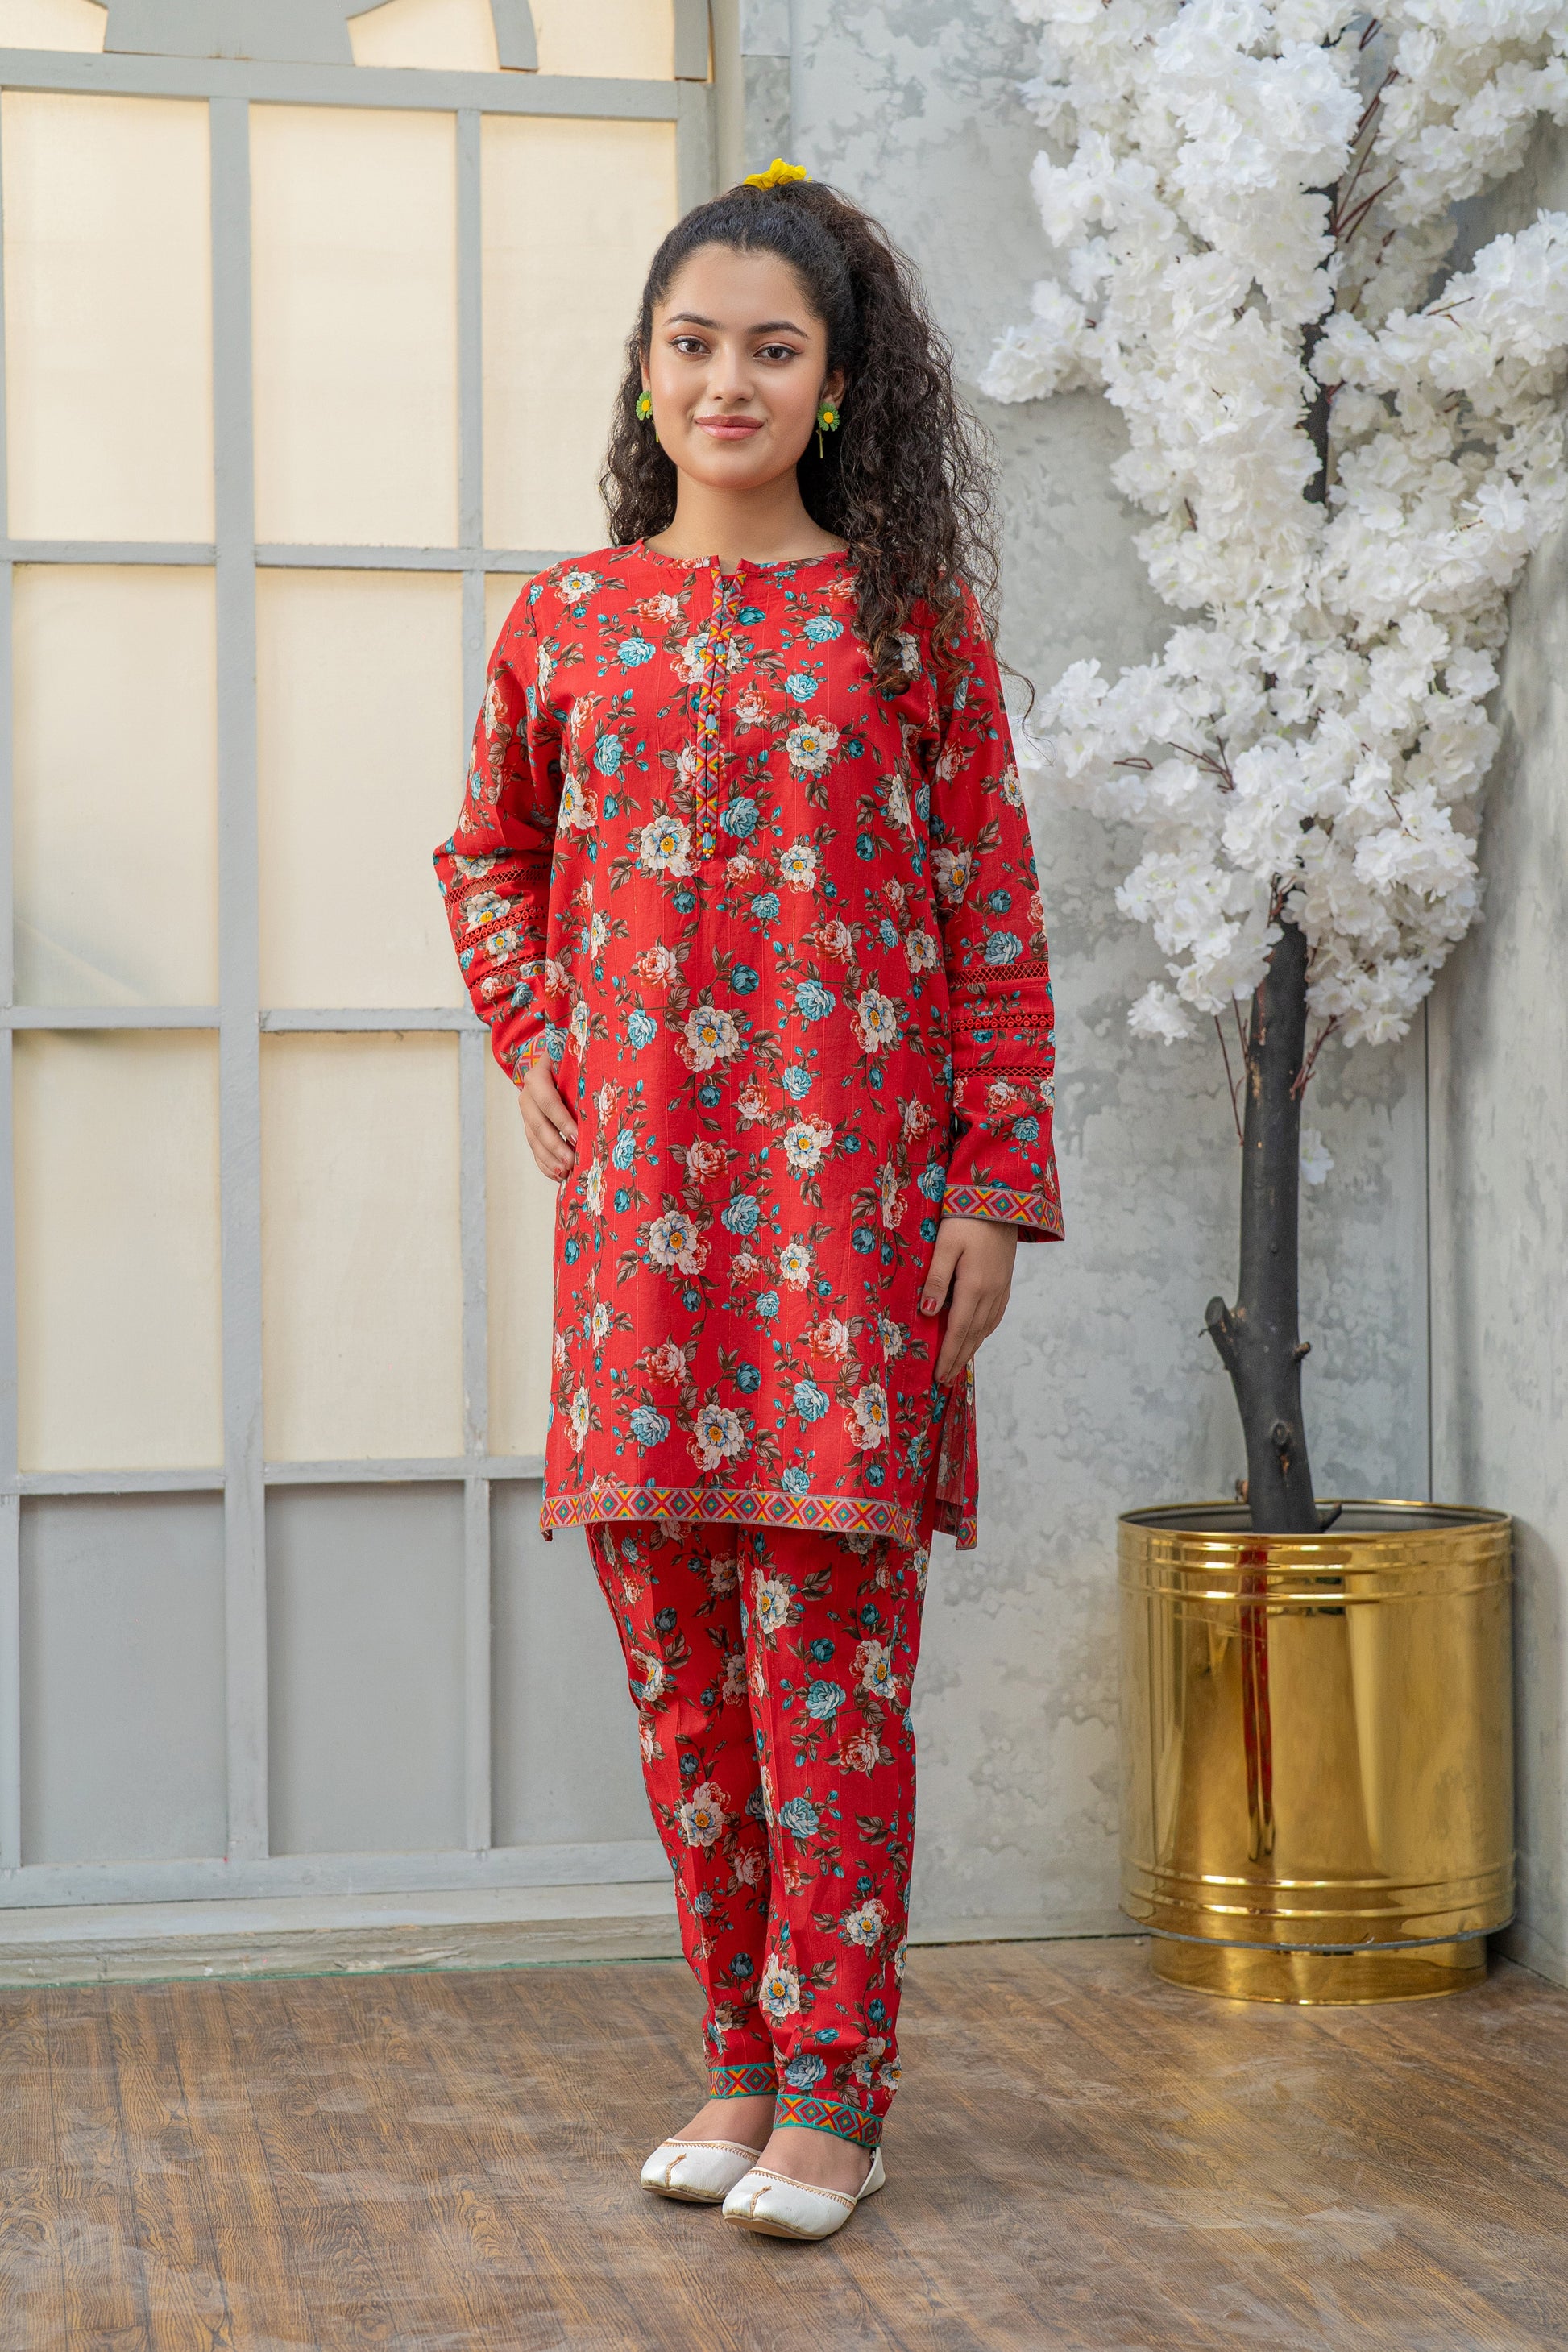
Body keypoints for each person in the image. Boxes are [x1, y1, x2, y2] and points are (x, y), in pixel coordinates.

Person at [435, 160, 1061, 2243]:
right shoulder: (569, 621)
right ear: (643, 371)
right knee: (683, 1684)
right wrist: (533, 1032)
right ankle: (729, 2058)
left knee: (825, 1678)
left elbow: (991, 923)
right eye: (690, 345)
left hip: (857, 1237)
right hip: (637, 1250)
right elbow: (485, 856)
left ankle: (836, 2096)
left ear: (835, 380)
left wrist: (989, 1183)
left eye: (769, 350)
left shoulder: (910, 626)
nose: (725, 381)